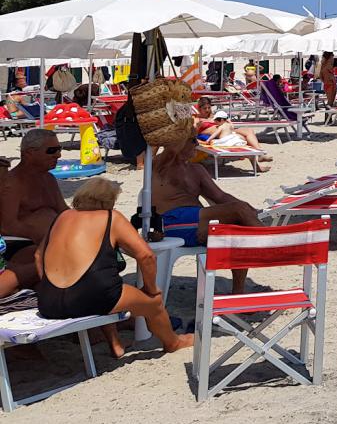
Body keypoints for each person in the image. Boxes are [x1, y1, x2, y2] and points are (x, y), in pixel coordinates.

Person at [35, 178, 192, 356]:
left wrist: (47, 284)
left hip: (49, 301)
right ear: (109, 200)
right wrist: (151, 289)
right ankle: (173, 342)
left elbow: (38, 256)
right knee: (153, 304)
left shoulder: (62, 217)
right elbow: (146, 255)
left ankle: (116, 344)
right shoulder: (110, 217)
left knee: (103, 284)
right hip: (92, 297)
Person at [152, 135, 264, 293]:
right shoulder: (159, 165)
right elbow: (165, 148)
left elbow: (220, 197)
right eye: (192, 139)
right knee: (239, 210)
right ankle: (277, 247)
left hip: (196, 221)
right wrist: (242, 210)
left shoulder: (196, 170)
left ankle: (237, 293)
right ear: (177, 142)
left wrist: (249, 210)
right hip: (169, 222)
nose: (197, 144)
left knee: (239, 226)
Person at [0, 129, 70, 288]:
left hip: (48, 244)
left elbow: (64, 210)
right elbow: (7, 226)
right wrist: (46, 236)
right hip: (21, 247)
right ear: (30, 153)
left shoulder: (49, 179)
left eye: (60, 149)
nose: (58, 155)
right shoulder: (12, 183)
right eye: (51, 150)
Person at [194, 98, 271, 171]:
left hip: (228, 132)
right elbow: (194, 132)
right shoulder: (197, 119)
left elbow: (226, 121)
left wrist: (227, 121)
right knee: (244, 139)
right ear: (199, 109)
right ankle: (257, 165)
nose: (207, 110)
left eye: (209, 107)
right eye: (205, 108)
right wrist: (197, 127)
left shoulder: (214, 116)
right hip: (220, 136)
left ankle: (260, 154)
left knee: (249, 130)